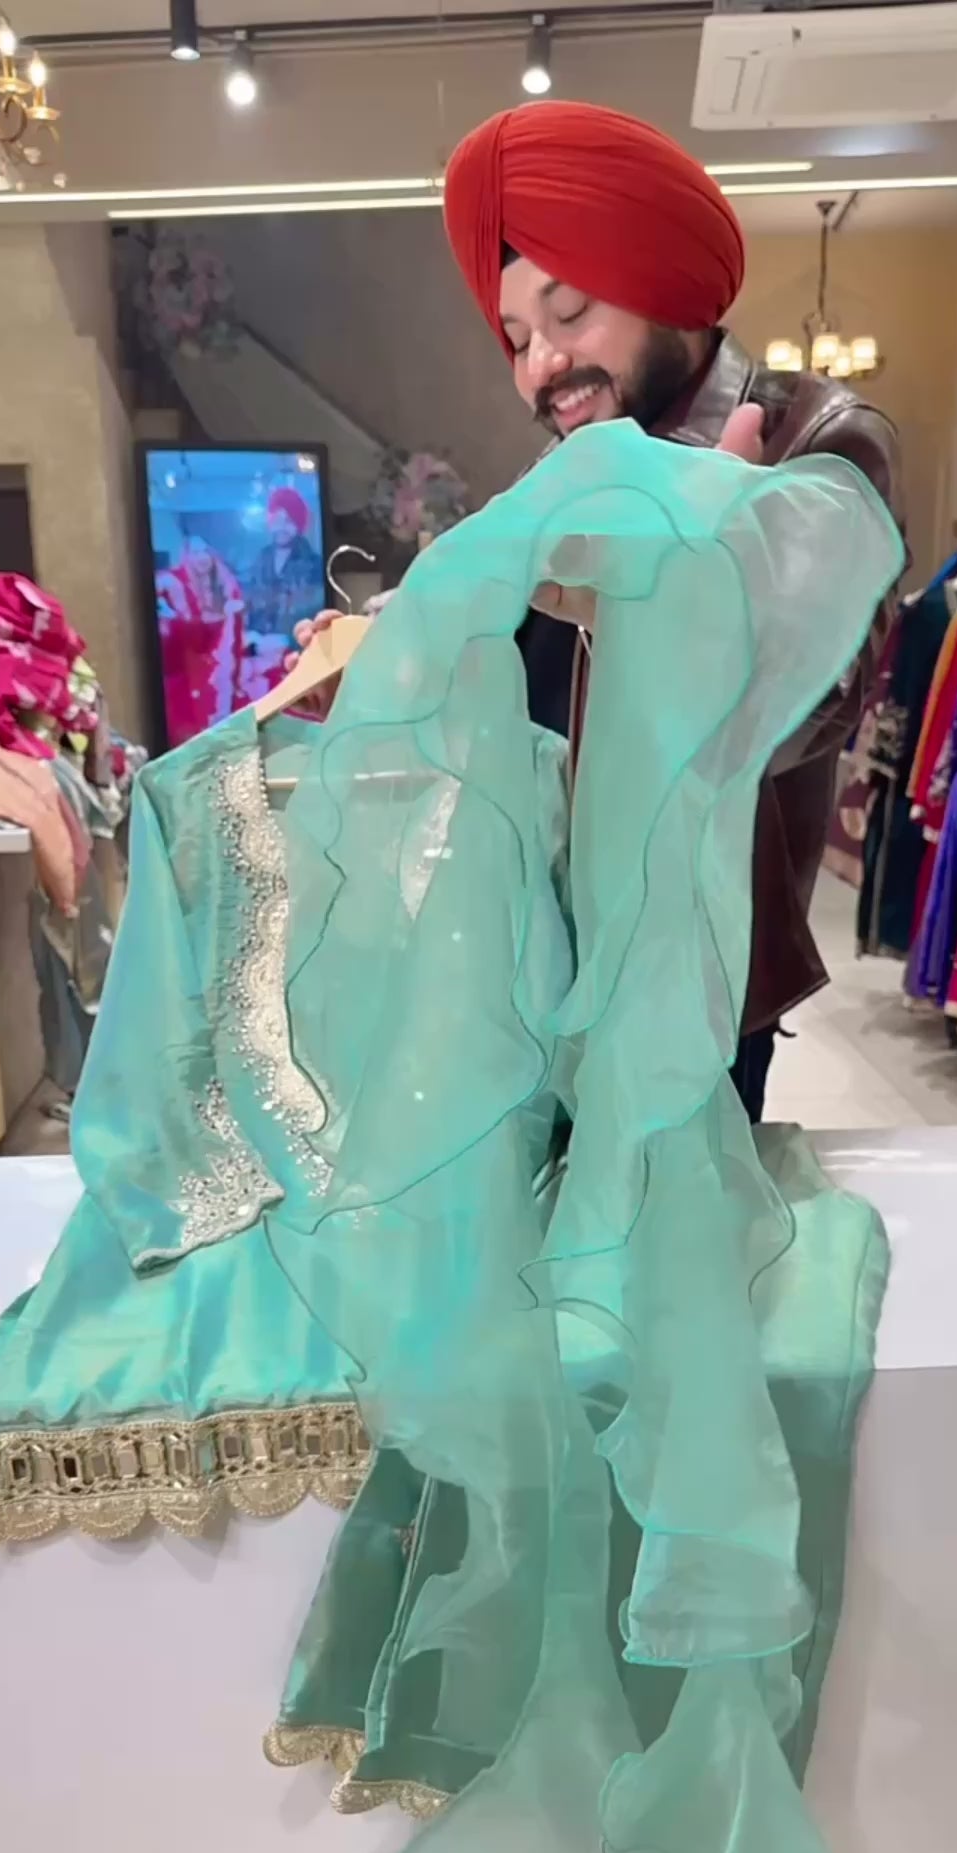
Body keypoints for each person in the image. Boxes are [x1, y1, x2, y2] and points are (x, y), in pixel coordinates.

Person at [297, 102, 905, 1122]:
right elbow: (495, 582)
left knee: (663, 1218)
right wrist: (391, 640)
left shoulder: (817, 442)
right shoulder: (581, 457)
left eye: (570, 312)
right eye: (516, 338)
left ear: (660, 281)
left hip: (692, 978)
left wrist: (666, 584)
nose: (540, 365)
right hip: (538, 953)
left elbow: (811, 703)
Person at [156, 531, 245, 746]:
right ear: (186, 555)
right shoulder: (173, 582)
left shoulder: (224, 583)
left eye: (205, 551)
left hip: (220, 663)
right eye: (195, 552)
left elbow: (232, 635)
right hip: (187, 666)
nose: (202, 557)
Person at [245, 485, 321, 652]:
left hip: (300, 654)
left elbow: (318, 619)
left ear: (298, 525)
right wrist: (249, 635)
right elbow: (250, 605)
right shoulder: (260, 560)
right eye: (277, 520)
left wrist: (287, 641)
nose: (281, 527)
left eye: (288, 521)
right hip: (261, 655)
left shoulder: (315, 565)